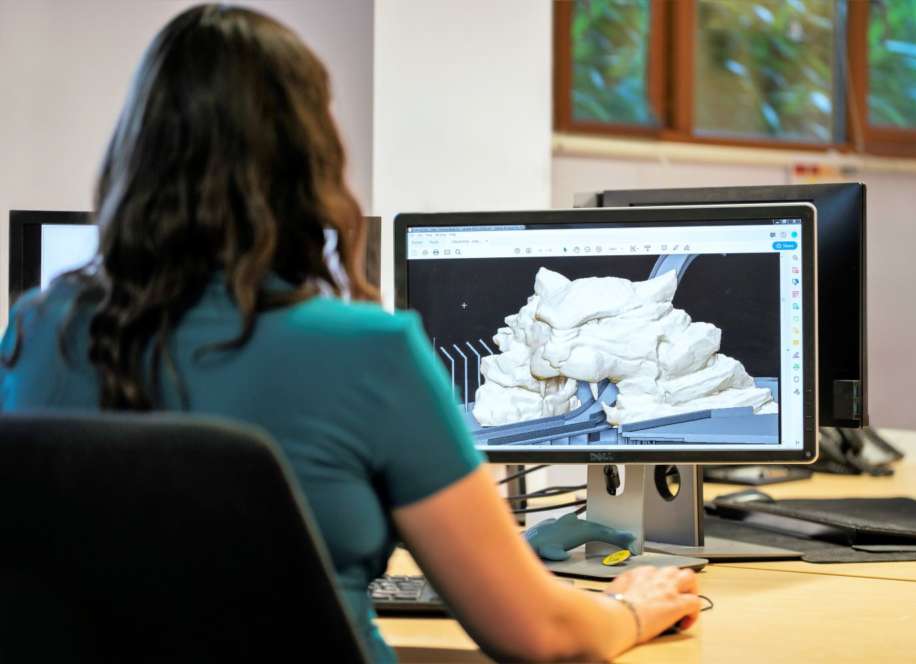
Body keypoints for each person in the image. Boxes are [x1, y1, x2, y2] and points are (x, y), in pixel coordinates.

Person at [0, 5, 700, 662]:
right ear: (311, 166)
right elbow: (541, 635)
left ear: (130, 163)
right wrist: (631, 606)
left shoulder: (35, 333)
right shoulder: (369, 352)